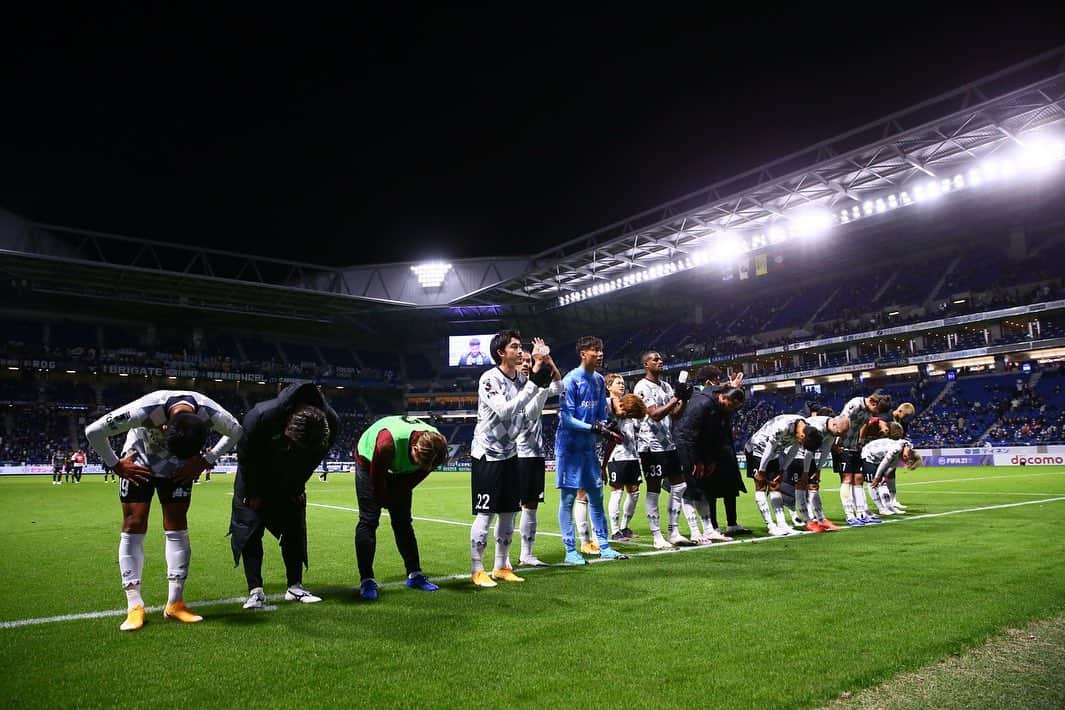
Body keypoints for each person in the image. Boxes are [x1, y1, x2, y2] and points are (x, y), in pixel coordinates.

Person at [85, 390, 243, 631]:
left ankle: (175, 603)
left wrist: (206, 460)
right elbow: (93, 431)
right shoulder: (145, 409)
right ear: (165, 427)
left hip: (179, 469)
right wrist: (115, 464)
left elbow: (237, 431)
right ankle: (134, 605)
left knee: (177, 523)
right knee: (134, 523)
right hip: (139, 464)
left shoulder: (211, 413)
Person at [230, 383, 338, 610]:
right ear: (289, 422)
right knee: (249, 529)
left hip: (292, 477)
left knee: (295, 529)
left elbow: (313, 460)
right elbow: (246, 458)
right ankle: (256, 591)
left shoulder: (331, 424)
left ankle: (295, 587)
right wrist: (252, 493)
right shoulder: (259, 417)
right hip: (255, 474)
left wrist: (297, 487)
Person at [469, 330, 554, 588]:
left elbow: (529, 413)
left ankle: (501, 566)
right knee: (486, 514)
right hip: (487, 453)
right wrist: (533, 382)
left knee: (509, 513)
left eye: (521, 347)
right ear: (501, 353)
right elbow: (505, 411)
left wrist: (540, 376)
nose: (520, 352)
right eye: (515, 347)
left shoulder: (520, 379)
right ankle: (477, 569)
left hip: (511, 453)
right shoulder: (489, 379)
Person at [354, 415, 449, 601]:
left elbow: (416, 476)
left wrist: (400, 494)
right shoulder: (386, 444)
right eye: (419, 461)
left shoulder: (436, 448)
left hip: (401, 468)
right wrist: (384, 499)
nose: (424, 466)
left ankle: (414, 574)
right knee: (369, 520)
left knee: (403, 521)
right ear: (414, 448)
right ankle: (366, 579)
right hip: (369, 462)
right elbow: (377, 482)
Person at [555, 335, 626, 565]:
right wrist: (594, 428)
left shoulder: (598, 381)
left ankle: (604, 545)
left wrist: (608, 427)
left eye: (601, 349)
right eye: (595, 350)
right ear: (583, 353)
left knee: (596, 496)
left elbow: (601, 418)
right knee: (567, 499)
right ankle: (570, 550)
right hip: (569, 449)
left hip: (588, 450)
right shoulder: (570, 380)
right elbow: (566, 419)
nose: (600, 353)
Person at [672, 378, 747, 543]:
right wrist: (696, 460)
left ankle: (708, 530)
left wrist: (711, 459)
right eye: (731, 406)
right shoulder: (702, 404)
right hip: (686, 446)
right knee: (689, 489)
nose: (731, 410)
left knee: (704, 489)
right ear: (723, 397)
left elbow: (717, 436)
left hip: (701, 449)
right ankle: (694, 532)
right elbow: (687, 433)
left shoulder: (722, 407)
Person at [634, 351, 692, 549]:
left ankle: (674, 531)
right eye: (655, 359)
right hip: (650, 444)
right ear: (645, 364)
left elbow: (675, 414)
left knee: (680, 485)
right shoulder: (642, 386)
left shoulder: (666, 385)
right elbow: (655, 414)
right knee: (654, 489)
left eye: (661, 359)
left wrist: (683, 399)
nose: (660, 361)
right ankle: (657, 535)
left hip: (668, 443)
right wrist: (675, 397)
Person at [515, 348, 564, 567]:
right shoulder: (509, 387)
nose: (525, 364)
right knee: (508, 507)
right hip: (513, 453)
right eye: (522, 361)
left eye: (528, 361)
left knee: (531, 505)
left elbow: (559, 386)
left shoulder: (537, 387)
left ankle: (526, 553)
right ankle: (503, 557)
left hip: (534, 454)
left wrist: (549, 360)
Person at [744, 414, 824, 536]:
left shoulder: (807, 430)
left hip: (775, 452)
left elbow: (793, 450)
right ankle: (771, 526)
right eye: (802, 441)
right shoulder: (783, 427)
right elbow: (769, 448)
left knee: (775, 485)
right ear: (802, 435)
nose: (801, 443)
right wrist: (761, 470)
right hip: (757, 448)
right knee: (761, 485)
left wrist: (782, 470)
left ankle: (782, 524)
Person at [834, 390, 893, 526]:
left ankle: (861, 513)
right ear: (873, 402)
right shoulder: (855, 404)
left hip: (855, 446)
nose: (876, 413)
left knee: (859, 479)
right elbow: (841, 421)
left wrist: (860, 440)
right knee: (847, 479)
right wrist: (836, 443)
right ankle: (850, 515)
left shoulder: (868, 411)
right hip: (842, 446)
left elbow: (864, 424)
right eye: (876, 410)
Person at [602, 381, 646, 541]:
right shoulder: (607, 404)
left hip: (632, 456)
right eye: (617, 383)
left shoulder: (627, 405)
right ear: (609, 386)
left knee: (634, 493)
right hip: (617, 457)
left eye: (622, 383)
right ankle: (614, 531)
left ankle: (624, 526)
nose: (622, 385)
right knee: (617, 493)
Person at [862, 437, 921, 514]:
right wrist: (877, 477)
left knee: (883, 483)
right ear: (910, 457)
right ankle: (881, 508)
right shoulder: (896, 449)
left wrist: (885, 476)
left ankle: (889, 506)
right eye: (907, 462)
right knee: (872, 482)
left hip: (878, 458)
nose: (905, 462)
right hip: (869, 454)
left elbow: (892, 466)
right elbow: (884, 463)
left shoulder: (905, 448)